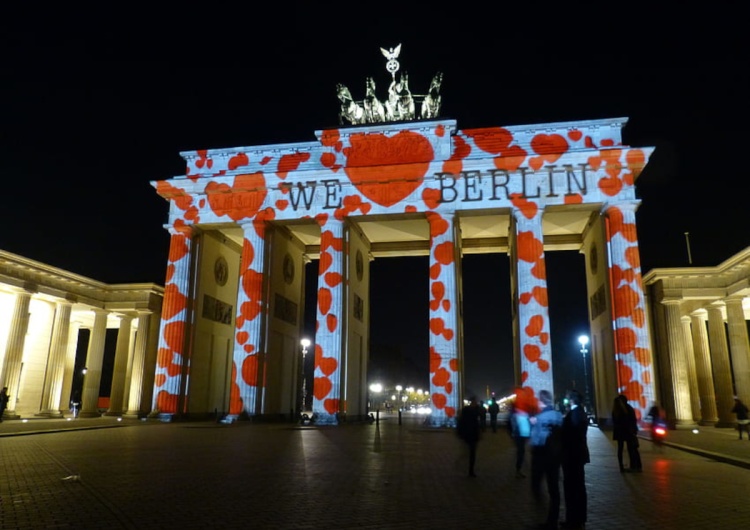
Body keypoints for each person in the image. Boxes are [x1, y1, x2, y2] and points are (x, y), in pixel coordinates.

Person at [529, 389, 564, 529]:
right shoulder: (558, 415)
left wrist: (533, 424)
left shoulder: (538, 417)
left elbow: (535, 438)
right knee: (554, 488)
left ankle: (542, 514)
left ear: (542, 402)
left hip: (540, 453)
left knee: (536, 485)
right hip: (555, 454)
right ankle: (552, 519)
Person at [561, 390, 590, 530]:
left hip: (572, 455)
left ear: (571, 400)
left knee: (572, 488)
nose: (565, 400)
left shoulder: (575, 413)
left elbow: (572, 434)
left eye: (566, 398)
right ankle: (579, 518)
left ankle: (573, 520)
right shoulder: (579, 412)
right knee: (578, 487)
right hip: (577, 454)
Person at [612, 394, 641, 472]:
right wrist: (634, 430)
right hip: (628, 432)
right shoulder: (628, 409)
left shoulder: (615, 410)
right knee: (632, 449)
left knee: (620, 449)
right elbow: (632, 421)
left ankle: (622, 466)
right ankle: (635, 465)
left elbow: (615, 422)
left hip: (620, 432)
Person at [457, 396, 482, 477]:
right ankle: (466, 467)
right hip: (469, 434)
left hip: (471, 435)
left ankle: (470, 470)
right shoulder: (469, 411)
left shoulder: (467, 410)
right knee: (468, 453)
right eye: (474, 402)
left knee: (471, 453)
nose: (475, 403)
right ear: (472, 402)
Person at [509, 401, 531, 477]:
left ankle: (519, 468)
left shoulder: (513, 414)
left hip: (517, 435)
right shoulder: (518, 414)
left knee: (521, 451)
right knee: (521, 452)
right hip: (519, 435)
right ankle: (518, 470)